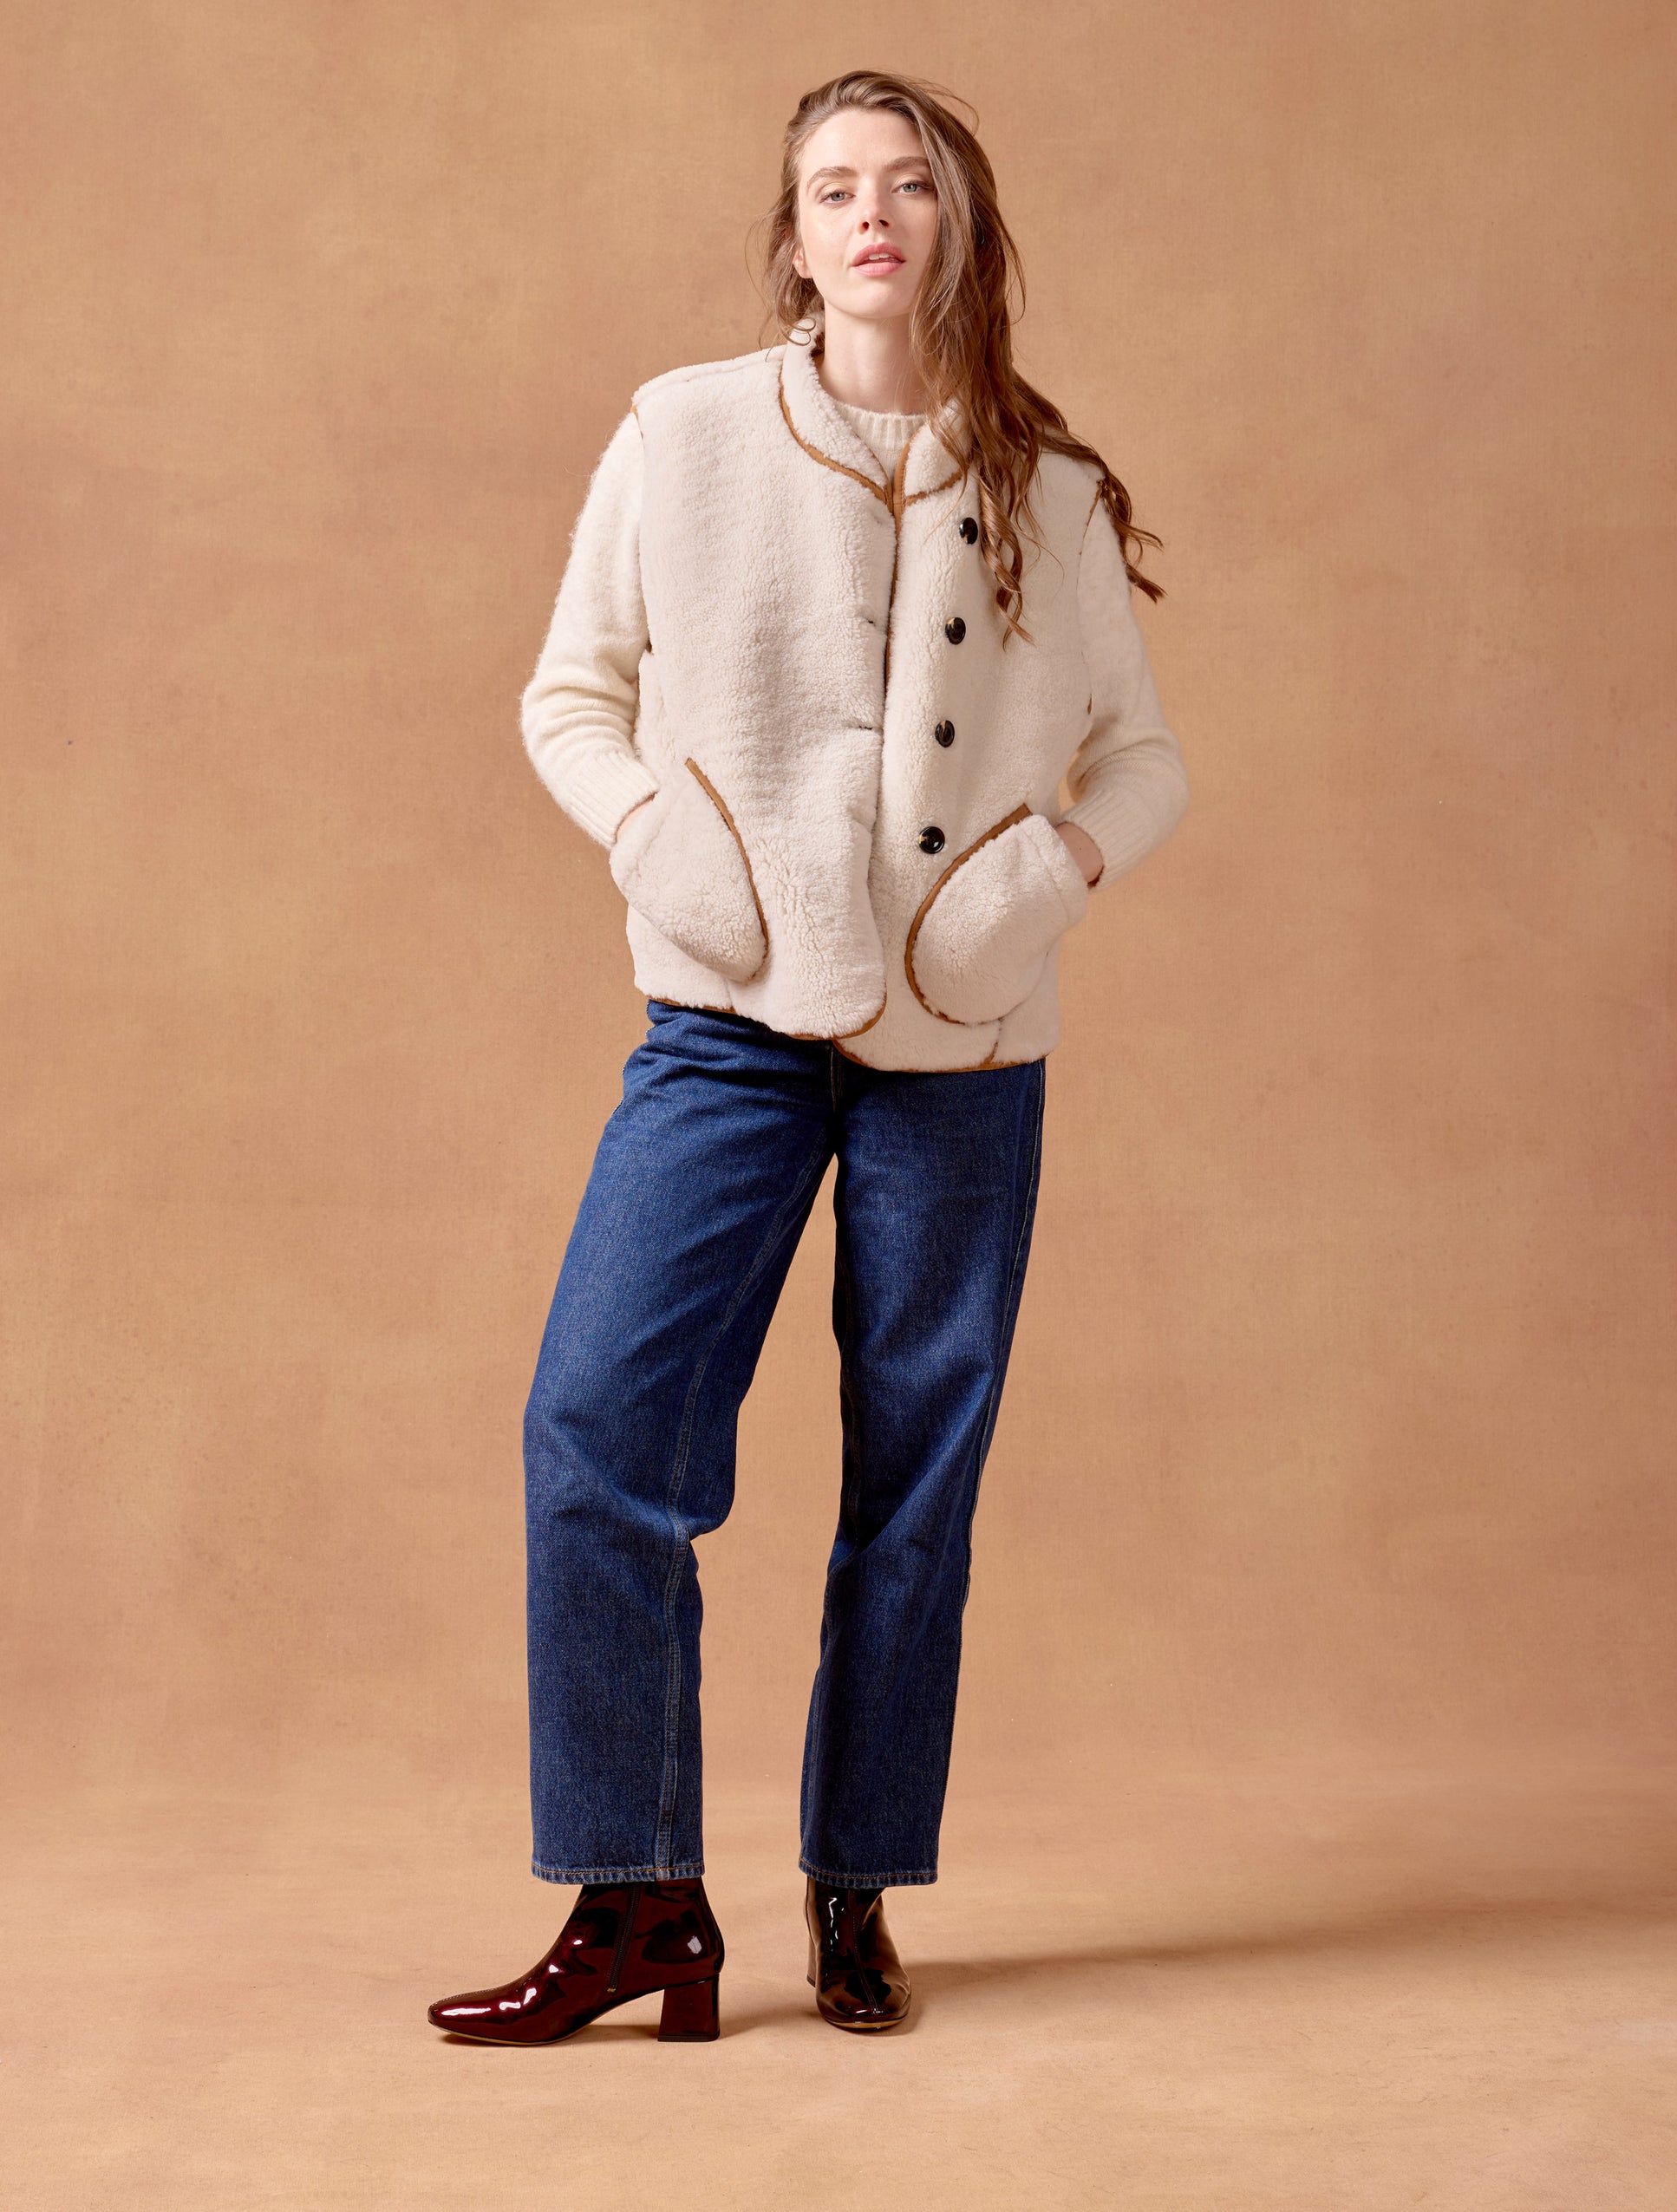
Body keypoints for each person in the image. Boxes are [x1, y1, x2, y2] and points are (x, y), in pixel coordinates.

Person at [427, 67, 1190, 2047]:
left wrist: (1038, 880)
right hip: (724, 1021)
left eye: (906, 183)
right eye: (833, 188)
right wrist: (667, 846)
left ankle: (856, 1892)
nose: (870, 214)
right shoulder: (681, 436)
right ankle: (637, 1901)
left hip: (969, 1042)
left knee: (914, 1481)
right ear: (790, 238)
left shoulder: (1052, 490)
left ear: (957, 225)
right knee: (597, 1431)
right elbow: (571, 694)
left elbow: (1145, 758)